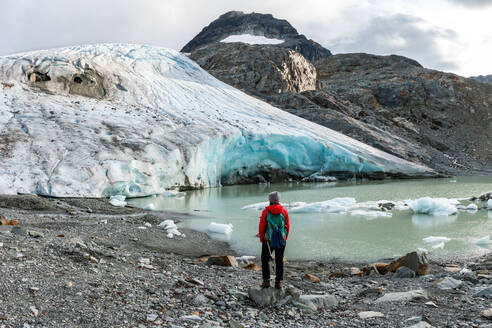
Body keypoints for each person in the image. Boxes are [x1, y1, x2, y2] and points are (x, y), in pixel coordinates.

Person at [258, 191, 290, 289]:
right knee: (279, 260)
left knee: (265, 259)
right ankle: (278, 282)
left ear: (270, 200)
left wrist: (262, 237)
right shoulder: (284, 211)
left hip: (268, 239)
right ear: (278, 200)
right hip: (280, 239)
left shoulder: (266, 211)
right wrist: (284, 238)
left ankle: (266, 281)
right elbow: (287, 226)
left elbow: (262, 226)